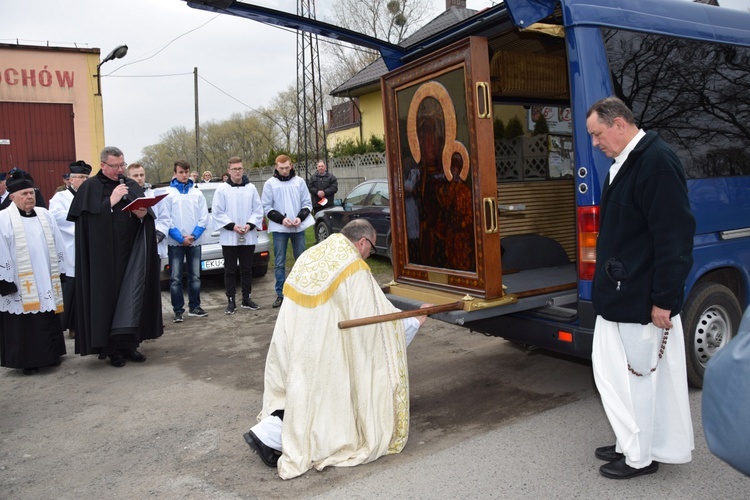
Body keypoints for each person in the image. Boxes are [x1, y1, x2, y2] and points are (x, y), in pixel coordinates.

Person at [243, 219, 429, 479]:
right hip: (328, 345)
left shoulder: (315, 252)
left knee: (303, 392)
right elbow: (375, 317)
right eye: (371, 249)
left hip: (294, 337)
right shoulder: (353, 266)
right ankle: (270, 437)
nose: (368, 255)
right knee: (327, 401)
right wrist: (411, 321)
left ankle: (267, 432)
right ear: (362, 241)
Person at [586, 96, 695, 479]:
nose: (596, 144)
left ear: (619, 124)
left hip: (641, 298)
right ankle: (627, 439)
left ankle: (641, 457)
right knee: (614, 375)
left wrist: (664, 300)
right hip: (620, 294)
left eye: (598, 135)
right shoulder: (626, 162)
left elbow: (674, 237)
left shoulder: (656, 163)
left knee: (640, 381)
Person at [67, 146, 163, 367]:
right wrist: (109, 202)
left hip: (131, 254)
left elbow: (146, 217)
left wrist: (142, 214)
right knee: (109, 301)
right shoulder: (90, 187)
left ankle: (131, 345)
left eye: (122, 165)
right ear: (103, 165)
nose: (120, 170)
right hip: (105, 259)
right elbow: (85, 224)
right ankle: (112, 350)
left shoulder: (129, 184)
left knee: (132, 297)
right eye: (115, 166)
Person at [0, 169, 68, 375]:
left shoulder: (44, 214)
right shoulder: (3, 218)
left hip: (46, 277)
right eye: (24, 194)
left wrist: (61, 269)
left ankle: (51, 355)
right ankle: (27, 360)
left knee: (46, 314)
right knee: (25, 322)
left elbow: (58, 243)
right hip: (20, 282)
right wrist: (4, 280)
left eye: (31, 193)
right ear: (12, 197)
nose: (29, 197)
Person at [211, 156, 263, 314]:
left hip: (248, 235)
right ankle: (231, 300)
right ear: (228, 171)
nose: (237, 171)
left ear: (243, 169)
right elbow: (218, 212)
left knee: (247, 269)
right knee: (230, 270)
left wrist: (249, 225)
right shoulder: (222, 189)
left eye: (240, 168)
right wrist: (233, 226)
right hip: (230, 237)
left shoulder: (251, 188)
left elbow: (258, 210)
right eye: (234, 169)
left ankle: (246, 298)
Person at [261, 154, 313, 308]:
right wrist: (281, 220)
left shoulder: (299, 182)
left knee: (301, 260)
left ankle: (301, 292)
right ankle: (280, 294)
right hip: (279, 228)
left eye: (287, 167)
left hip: (298, 227)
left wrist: (300, 218)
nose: (284, 171)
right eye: (281, 168)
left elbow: (307, 203)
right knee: (279, 262)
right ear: (276, 167)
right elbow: (267, 207)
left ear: (291, 166)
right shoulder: (270, 184)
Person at [48, 160, 91, 337]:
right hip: (70, 248)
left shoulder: (91, 195)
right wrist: (82, 224)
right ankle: (70, 325)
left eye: (86, 177)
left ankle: (84, 324)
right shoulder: (60, 198)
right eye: (80, 177)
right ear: (70, 180)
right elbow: (57, 217)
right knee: (72, 291)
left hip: (89, 246)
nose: (83, 180)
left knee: (86, 290)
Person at [165, 159, 209, 322]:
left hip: (193, 241)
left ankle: (195, 307)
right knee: (175, 278)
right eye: (181, 172)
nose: (184, 175)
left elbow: (204, 217)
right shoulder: (169, 194)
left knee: (195, 276)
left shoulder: (197, 193)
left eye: (186, 172)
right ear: (175, 173)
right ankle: (178, 310)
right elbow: (166, 219)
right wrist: (179, 238)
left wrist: (193, 236)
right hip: (176, 242)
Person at [127, 163, 170, 260]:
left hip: (154, 245)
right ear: (128, 177)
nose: (139, 178)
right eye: (135, 175)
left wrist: (157, 237)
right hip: (133, 246)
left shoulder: (154, 195)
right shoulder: (124, 196)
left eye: (141, 175)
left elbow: (165, 219)